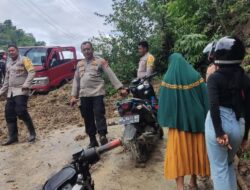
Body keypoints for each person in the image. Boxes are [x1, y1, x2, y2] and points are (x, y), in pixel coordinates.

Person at [158, 53, 210, 190]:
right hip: (197, 123)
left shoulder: (168, 79)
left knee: (178, 156)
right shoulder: (195, 76)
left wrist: (168, 119)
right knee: (194, 153)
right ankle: (193, 183)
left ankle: (180, 187)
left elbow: (164, 103)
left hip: (177, 126)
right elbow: (206, 98)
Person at [205, 36, 250, 190]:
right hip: (239, 126)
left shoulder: (214, 78)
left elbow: (213, 105)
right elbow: (248, 107)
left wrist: (219, 132)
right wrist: (245, 137)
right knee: (229, 164)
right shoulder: (245, 78)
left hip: (219, 125)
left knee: (219, 169)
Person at [70, 41, 126, 148]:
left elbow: (110, 74)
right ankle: (92, 140)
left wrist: (120, 88)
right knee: (87, 118)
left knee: (99, 114)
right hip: (84, 95)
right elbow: (76, 81)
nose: (87, 51)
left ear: (92, 49)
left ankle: (102, 136)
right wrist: (73, 96)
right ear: (82, 51)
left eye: (88, 49)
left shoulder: (100, 61)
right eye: (84, 50)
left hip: (97, 93)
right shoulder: (79, 64)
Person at [0, 44, 36, 145]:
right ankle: (13, 137)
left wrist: (26, 84)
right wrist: (1, 92)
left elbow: (32, 72)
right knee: (9, 113)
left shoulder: (24, 60)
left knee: (21, 111)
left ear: (17, 51)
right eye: (9, 51)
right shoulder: (8, 64)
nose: (11, 52)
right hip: (11, 92)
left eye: (13, 50)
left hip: (21, 90)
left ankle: (32, 133)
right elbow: (6, 80)